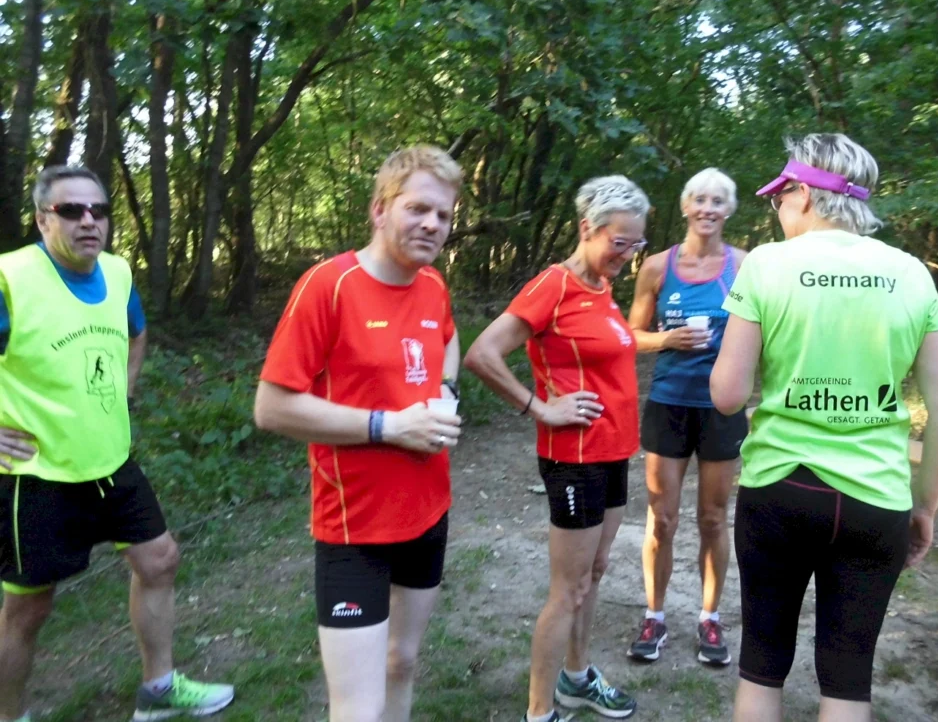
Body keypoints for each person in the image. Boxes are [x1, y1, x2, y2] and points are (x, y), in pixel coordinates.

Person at [710, 134, 938, 722]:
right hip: (877, 501)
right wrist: (924, 506)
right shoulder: (910, 273)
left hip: (780, 488)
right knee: (848, 682)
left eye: (779, 197)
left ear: (803, 194)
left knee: (761, 668)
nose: (776, 208)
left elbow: (726, 395)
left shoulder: (767, 264)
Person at [0, 166, 235, 722]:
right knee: (28, 608)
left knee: (160, 560)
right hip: (36, 474)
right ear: (42, 219)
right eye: (71, 210)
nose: (89, 221)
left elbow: (136, 331)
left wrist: (124, 391)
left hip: (111, 462)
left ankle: (158, 691)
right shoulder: (11, 277)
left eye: (99, 210)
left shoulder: (118, 271)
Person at [253, 146, 464, 722]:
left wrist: (446, 390)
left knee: (403, 663)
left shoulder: (432, 285)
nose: (432, 224)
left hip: (428, 510)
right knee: (357, 708)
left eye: (443, 215)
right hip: (355, 527)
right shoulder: (329, 285)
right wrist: (389, 426)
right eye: (418, 208)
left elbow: (448, 337)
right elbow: (271, 407)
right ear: (379, 209)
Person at [464, 175, 649, 722]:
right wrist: (539, 407)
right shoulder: (553, 285)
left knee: (595, 572)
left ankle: (576, 678)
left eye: (636, 244)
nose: (627, 255)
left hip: (612, 454)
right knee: (567, 589)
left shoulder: (601, 287)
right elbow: (482, 354)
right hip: (575, 460)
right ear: (587, 228)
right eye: (619, 242)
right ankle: (539, 710)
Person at [625, 168, 748, 667]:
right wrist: (666, 339)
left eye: (717, 201)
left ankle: (709, 618)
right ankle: (654, 615)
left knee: (714, 518)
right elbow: (630, 335)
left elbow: (766, 329)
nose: (707, 209)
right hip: (669, 402)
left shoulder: (745, 266)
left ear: (729, 209)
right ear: (684, 206)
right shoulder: (657, 267)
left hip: (721, 407)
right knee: (663, 518)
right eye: (699, 199)